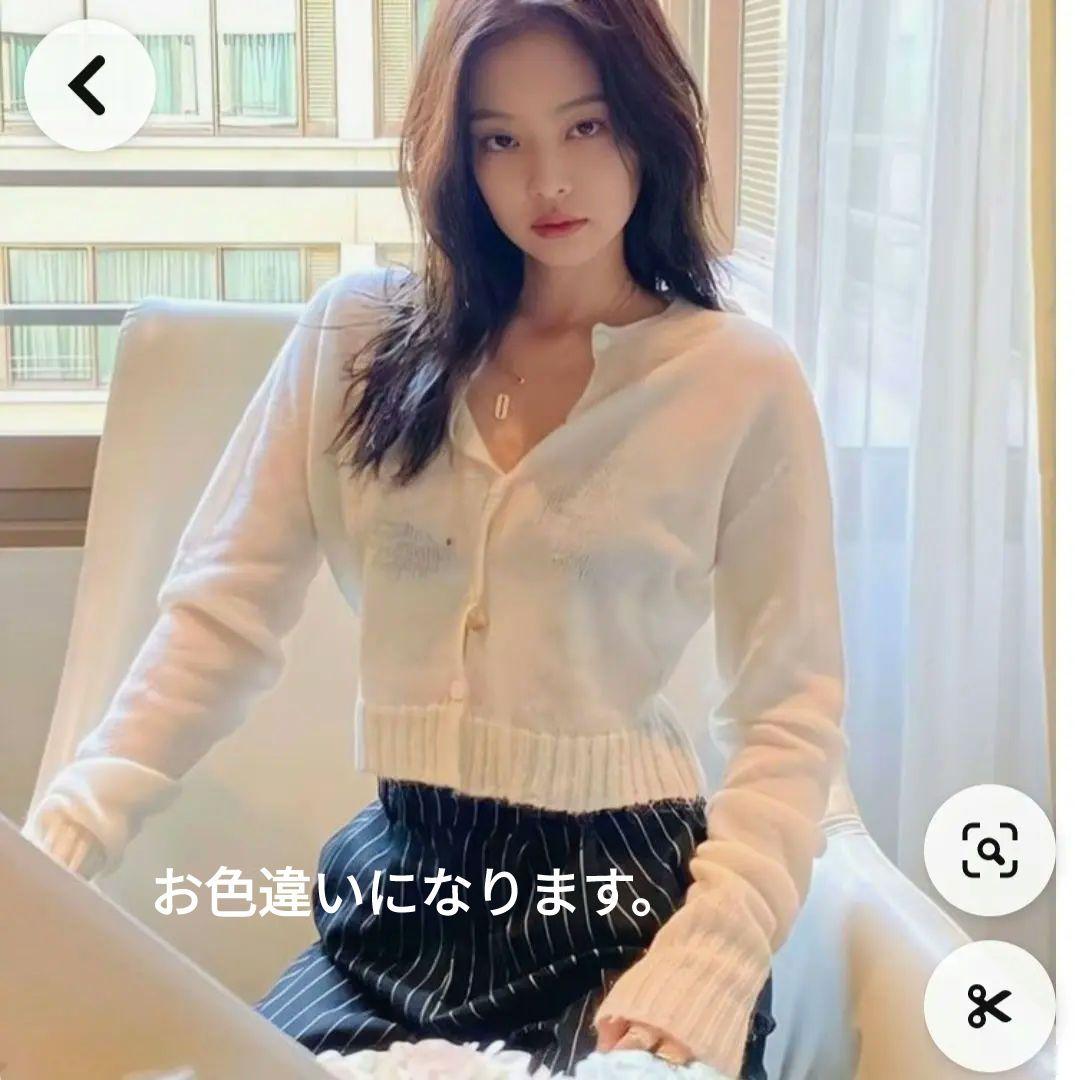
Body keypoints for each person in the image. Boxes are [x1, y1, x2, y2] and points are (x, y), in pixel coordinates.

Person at [22, 2, 848, 1077]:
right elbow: (218, 618)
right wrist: (58, 851)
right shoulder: (355, 339)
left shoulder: (737, 379)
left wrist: (714, 956)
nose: (547, 181)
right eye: (500, 139)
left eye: (586, 126)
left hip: (623, 908)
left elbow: (789, 714)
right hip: (403, 896)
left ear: (648, 125)